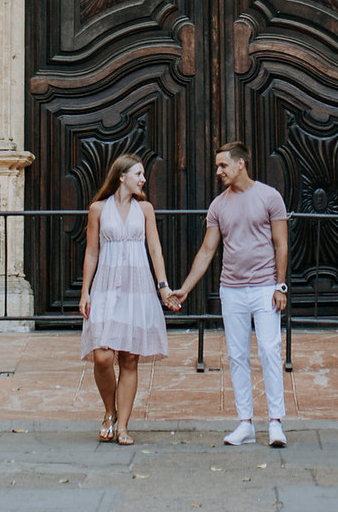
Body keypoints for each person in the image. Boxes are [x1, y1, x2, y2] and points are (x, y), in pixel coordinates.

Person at [169, 144, 289, 447]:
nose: (218, 172)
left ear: (241, 164)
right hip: (232, 289)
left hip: (264, 288)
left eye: (223, 165)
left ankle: (275, 422)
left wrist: (280, 285)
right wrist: (185, 287)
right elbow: (208, 250)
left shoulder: (269, 196)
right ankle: (245, 423)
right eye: (217, 166)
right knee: (237, 356)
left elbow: (281, 244)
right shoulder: (218, 206)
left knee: (269, 351)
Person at [79, 153, 175, 447]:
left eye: (142, 174)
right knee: (103, 355)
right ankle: (109, 411)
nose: (143, 179)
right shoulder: (97, 209)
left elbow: (155, 250)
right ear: (122, 176)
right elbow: (92, 251)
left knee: (130, 358)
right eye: (138, 174)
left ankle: (122, 426)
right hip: (107, 287)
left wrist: (163, 288)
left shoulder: (145, 209)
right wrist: (85, 291)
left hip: (137, 288)